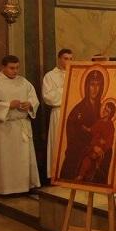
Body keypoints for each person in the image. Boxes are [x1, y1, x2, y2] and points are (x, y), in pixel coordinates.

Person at [0, 55, 40, 194]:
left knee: (22, 160)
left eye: (17, 68)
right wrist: (8, 105)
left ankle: (23, 187)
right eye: (11, 68)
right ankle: (4, 188)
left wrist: (30, 104)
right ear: (3, 67)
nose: (15, 71)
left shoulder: (24, 82)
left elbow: (34, 98)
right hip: (4, 127)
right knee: (5, 161)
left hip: (21, 125)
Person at [60, 68, 105, 180]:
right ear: (86, 86)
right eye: (92, 85)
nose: (95, 89)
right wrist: (92, 146)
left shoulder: (103, 108)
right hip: (81, 149)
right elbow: (74, 135)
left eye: (98, 85)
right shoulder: (78, 110)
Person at [43, 48, 73, 179]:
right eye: (66, 58)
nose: (68, 61)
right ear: (59, 59)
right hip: (59, 112)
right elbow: (48, 97)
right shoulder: (50, 76)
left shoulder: (75, 74)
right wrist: (65, 89)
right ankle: (58, 173)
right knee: (58, 143)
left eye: (71, 59)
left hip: (73, 112)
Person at [76, 100, 116, 183]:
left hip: (103, 149)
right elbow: (91, 130)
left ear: (110, 114)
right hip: (94, 145)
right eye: (104, 109)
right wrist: (83, 126)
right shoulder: (99, 121)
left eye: (107, 110)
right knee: (87, 158)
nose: (104, 111)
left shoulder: (110, 125)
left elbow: (109, 141)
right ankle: (81, 175)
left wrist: (102, 147)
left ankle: (90, 177)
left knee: (94, 159)